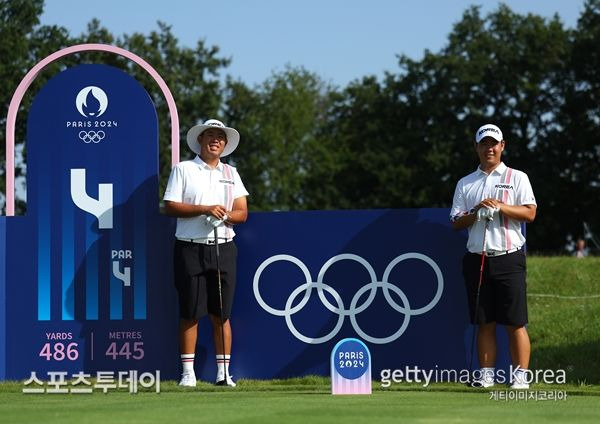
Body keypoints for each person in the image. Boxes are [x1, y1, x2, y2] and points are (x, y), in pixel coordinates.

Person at [450, 124, 537, 389]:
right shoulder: (466, 183)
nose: (489, 148)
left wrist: (500, 207)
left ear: (502, 146)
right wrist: (476, 212)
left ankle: (520, 377)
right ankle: (486, 375)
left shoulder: (517, 177)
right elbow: (455, 221)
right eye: (484, 144)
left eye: (493, 143)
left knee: (515, 322)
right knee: (485, 322)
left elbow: (530, 213)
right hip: (477, 258)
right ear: (476, 147)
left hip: (509, 257)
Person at [163, 119, 249, 387]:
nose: (215, 140)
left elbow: (242, 212)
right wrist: (204, 209)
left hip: (223, 247)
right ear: (200, 141)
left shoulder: (231, 173)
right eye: (210, 136)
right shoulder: (184, 169)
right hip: (190, 246)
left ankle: (224, 374)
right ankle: (188, 374)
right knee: (190, 311)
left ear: (225, 144)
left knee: (221, 314)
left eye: (220, 138)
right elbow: (171, 206)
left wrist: (224, 216)